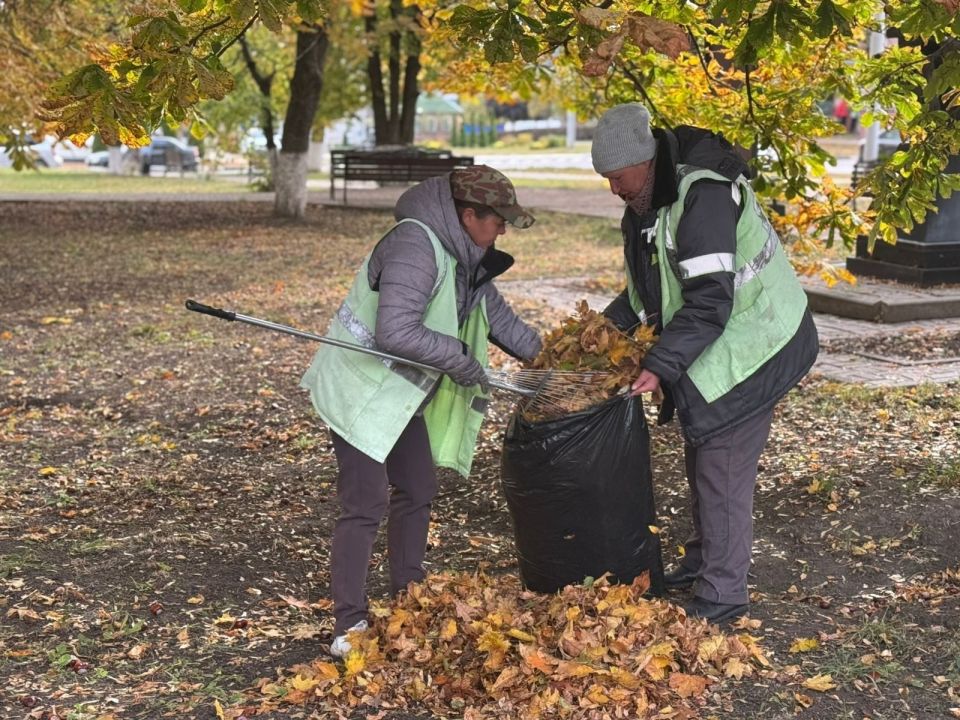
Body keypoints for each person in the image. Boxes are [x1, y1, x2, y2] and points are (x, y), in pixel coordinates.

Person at [299, 165, 542, 657]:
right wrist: (462, 361)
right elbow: (396, 332)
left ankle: (408, 599)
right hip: (359, 388)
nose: (503, 230)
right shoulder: (415, 245)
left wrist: (558, 362)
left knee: (417, 488)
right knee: (366, 503)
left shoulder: (466, 258)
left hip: (397, 396)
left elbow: (506, 325)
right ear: (469, 214)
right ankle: (349, 624)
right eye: (499, 220)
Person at [591, 103, 819, 624]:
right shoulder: (648, 206)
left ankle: (722, 595)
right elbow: (647, 295)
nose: (615, 191)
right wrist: (598, 335)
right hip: (725, 344)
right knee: (704, 456)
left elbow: (709, 301)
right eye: (607, 181)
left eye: (619, 179)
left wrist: (662, 365)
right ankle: (702, 563)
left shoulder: (705, 196)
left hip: (758, 346)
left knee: (722, 467)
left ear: (645, 163)